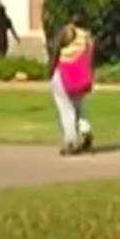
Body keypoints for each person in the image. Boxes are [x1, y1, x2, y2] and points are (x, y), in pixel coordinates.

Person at [48, 18, 94, 155]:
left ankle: (71, 142)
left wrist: (51, 68)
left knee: (66, 110)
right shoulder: (87, 37)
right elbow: (90, 57)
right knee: (79, 107)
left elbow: (56, 51)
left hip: (63, 73)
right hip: (80, 75)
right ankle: (85, 130)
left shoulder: (67, 32)